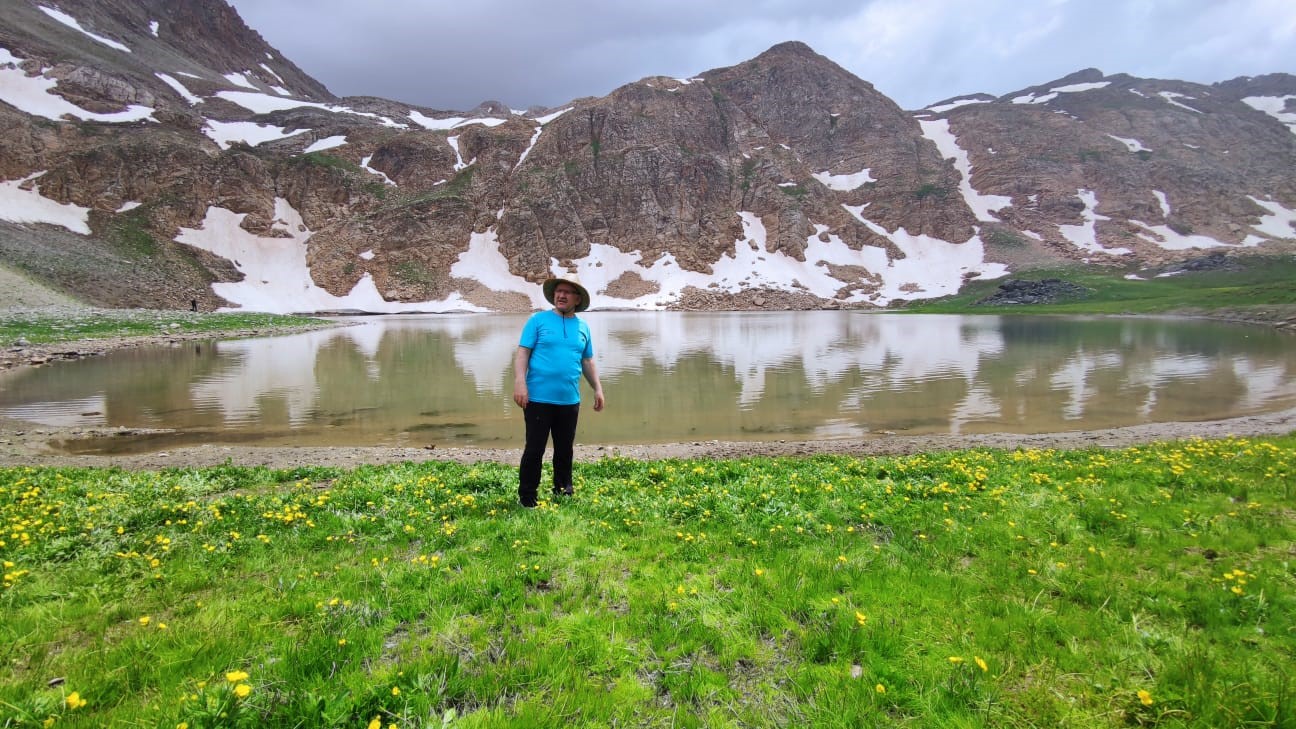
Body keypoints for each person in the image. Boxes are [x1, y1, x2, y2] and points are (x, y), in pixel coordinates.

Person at [512, 276, 605, 507]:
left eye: (567, 292)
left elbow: (587, 361)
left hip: (569, 400)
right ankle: (527, 498)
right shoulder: (538, 321)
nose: (561, 295)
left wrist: (598, 389)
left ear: (577, 299)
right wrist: (520, 382)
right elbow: (523, 353)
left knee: (564, 449)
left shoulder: (583, 327)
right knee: (534, 449)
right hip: (538, 398)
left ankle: (563, 491)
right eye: (558, 292)